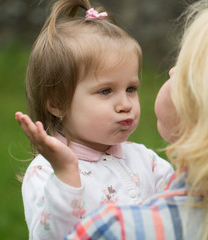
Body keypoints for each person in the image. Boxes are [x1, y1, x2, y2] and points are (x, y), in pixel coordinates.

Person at [65, 0, 208, 239]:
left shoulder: (116, 231)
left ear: (207, 108)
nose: (171, 71)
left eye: (184, 66)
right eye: (106, 90)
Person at [15, 0, 174, 239]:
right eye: (106, 91)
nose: (125, 104)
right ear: (57, 103)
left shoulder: (146, 160)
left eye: (131, 88)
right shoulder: (46, 171)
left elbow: (180, 208)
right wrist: (66, 175)